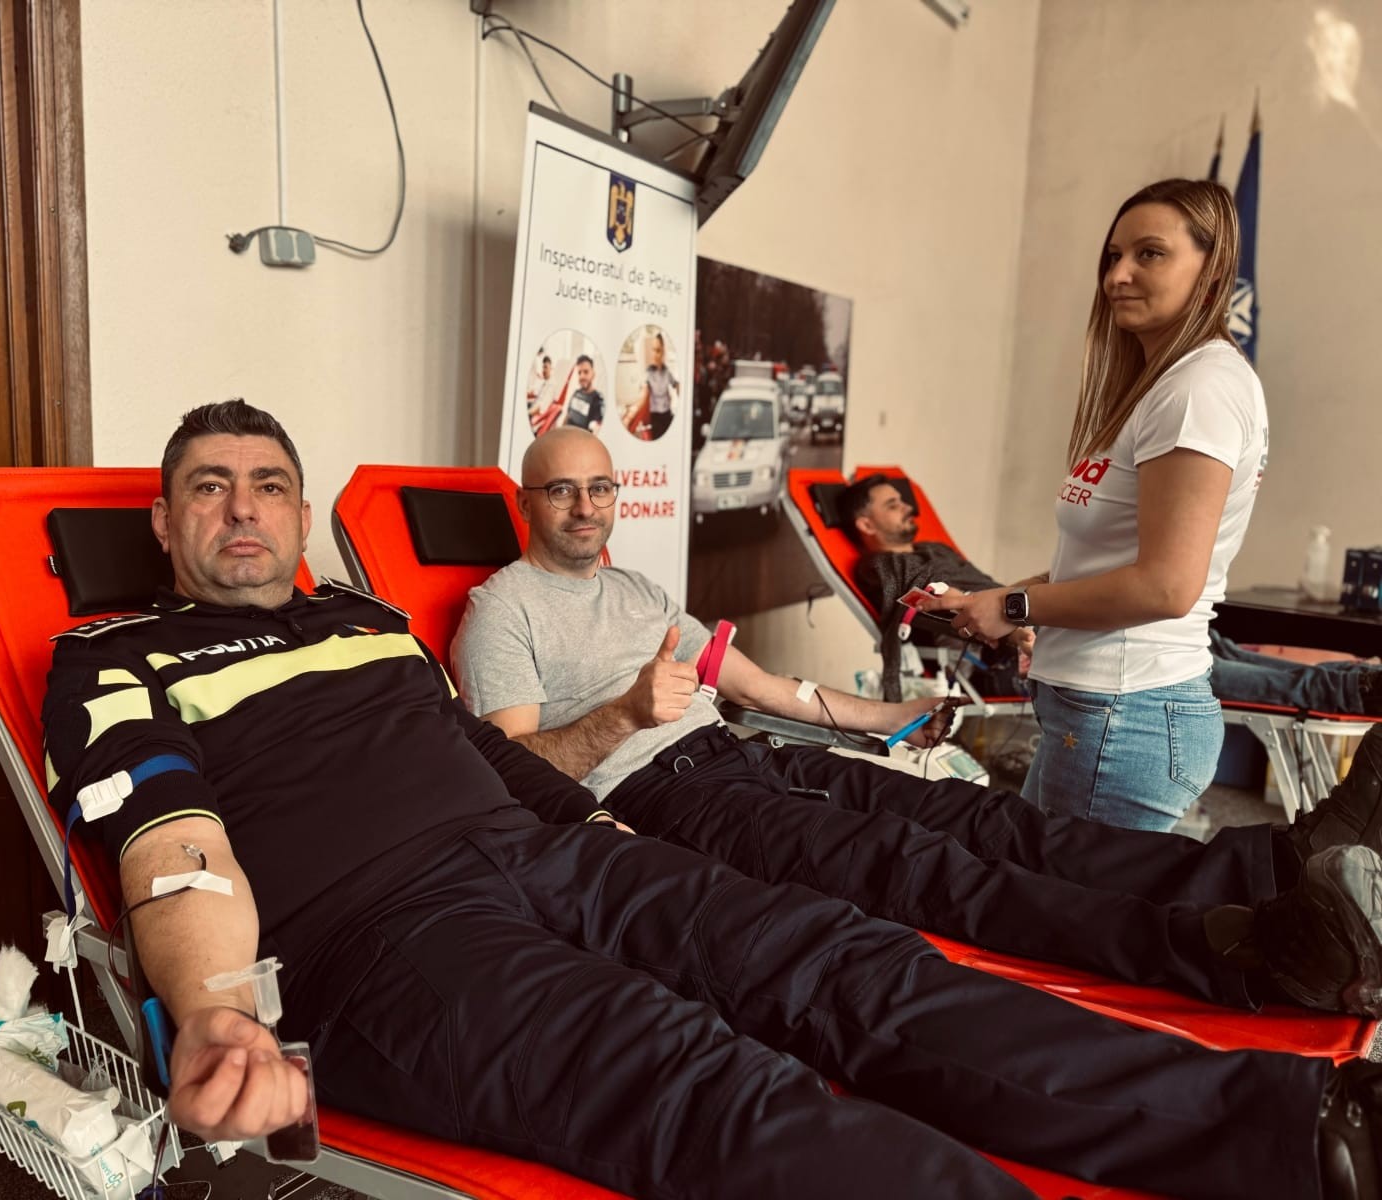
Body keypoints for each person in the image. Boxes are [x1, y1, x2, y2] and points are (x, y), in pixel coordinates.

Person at [45, 400, 1382, 1200]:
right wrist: (213, 1006)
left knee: (855, 966)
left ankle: (1296, 1135)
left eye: (268, 485)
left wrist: (598, 833)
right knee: (696, 1082)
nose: (243, 510)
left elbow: (476, 751)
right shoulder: (111, 659)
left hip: (558, 854)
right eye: (208, 489)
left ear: (297, 515)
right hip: (388, 936)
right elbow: (172, 845)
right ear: (164, 525)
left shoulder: (367, 621)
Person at [453, 426, 1382, 1015]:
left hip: (749, 753)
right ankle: (1244, 958)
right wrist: (624, 714)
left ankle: (1269, 866)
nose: (586, 507)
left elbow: (768, 688)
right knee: (926, 868)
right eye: (561, 491)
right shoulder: (503, 610)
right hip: (666, 802)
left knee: (988, 821)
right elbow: (515, 773)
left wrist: (890, 716)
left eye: (601, 487)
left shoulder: (641, 590)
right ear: (527, 502)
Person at [919, 179, 1270, 832]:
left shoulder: (1199, 390)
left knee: (1056, 898)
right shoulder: (1165, 387)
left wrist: (1014, 607)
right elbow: (1106, 564)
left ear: (1212, 268)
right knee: (1035, 884)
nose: (1118, 276)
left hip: (1125, 713)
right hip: (1100, 712)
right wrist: (997, 600)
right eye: (1113, 256)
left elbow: (1165, 587)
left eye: (1149, 254)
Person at [846, 472, 1382, 714]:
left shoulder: (934, 546)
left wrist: (1047, 588)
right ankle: (1350, 690)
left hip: (1038, 611)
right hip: (1021, 644)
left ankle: (1350, 679)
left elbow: (996, 591)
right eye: (893, 505)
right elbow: (933, 612)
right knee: (1205, 670)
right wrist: (1016, 629)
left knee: (1217, 648)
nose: (907, 508)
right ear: (866, 524)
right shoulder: (883, 568)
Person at [625, 329, 677, 440]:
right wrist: (629, 416)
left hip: (668, 415)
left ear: (663, 352)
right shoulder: (648, 373)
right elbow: (643, 397)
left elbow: (677, 386)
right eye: (653, 350)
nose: (654, 354)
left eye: (658, 350)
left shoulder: (667, 372)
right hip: (656, 417)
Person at [561, 354, 604, 431]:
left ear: (593, 374)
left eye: (586, 372)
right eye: (579, 373)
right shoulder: (576, 393)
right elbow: (567, 416)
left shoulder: (597, 400)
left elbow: (596, 429)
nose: (582, 376)